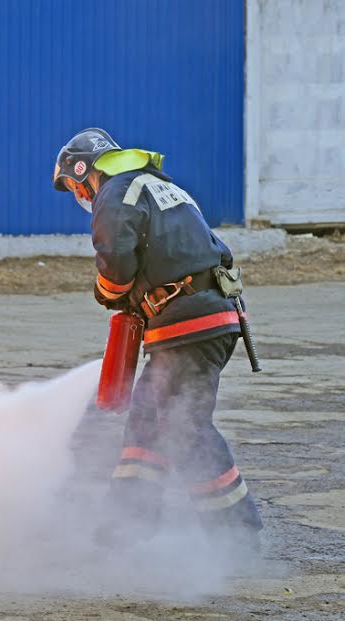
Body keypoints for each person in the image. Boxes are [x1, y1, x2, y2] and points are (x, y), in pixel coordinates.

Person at [52, 128, 263, 552]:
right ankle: (126, 525)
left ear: (84, 170)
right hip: (208, 317)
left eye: (75, 185)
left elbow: (115, 266)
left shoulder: (115, 192)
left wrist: (107, 293)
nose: (79, 194)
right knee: (149, 418)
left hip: (189, 324)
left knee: (186, 427)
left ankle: (238, 537)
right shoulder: (163, 187)